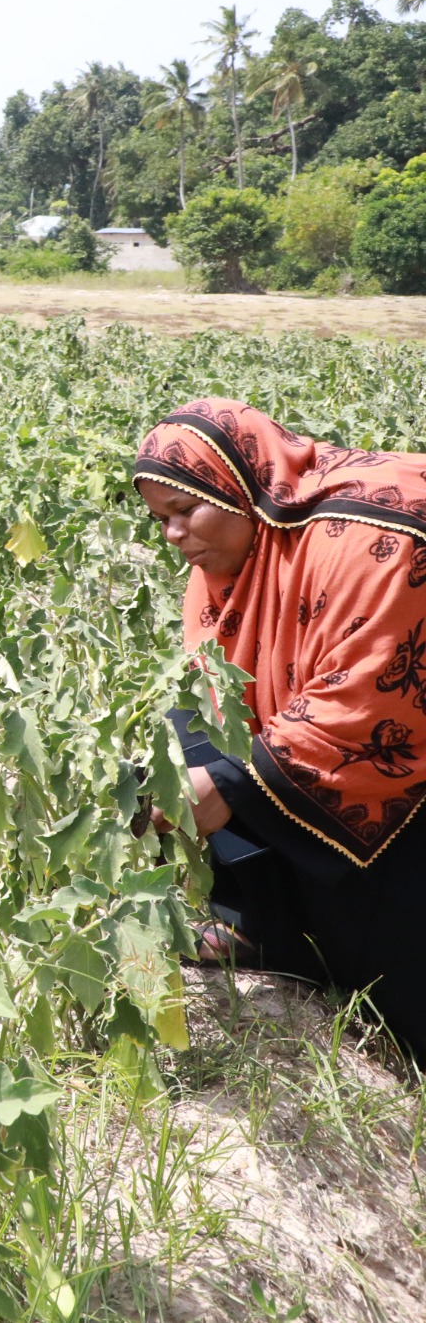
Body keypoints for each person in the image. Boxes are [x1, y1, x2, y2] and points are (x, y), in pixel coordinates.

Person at [134, 398, 426, 1055]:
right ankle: (269, 928)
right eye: (160, 520)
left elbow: (370, 708)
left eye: (186, 510)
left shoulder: (383, 543)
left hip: (404, 762)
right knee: (196, 724)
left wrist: (232, 783)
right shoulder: (225, 569)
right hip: (326, 735)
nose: (173, 535)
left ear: (244, 489)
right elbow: (218, 696)